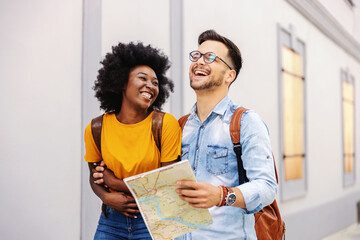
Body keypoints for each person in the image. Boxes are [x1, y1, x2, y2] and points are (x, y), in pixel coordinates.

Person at [175, 30, 277, 240]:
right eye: (196, 56)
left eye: (210, 57)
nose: (199, 62)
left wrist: (222, 196)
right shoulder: (181, 125)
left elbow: (267, 187)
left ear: (229, 75)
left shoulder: (246, 122)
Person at [84, 42, 182, 239]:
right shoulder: (96, 128)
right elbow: (95, 177)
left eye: (155, 82)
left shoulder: (165, 124)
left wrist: (115, 183)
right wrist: (106, 197)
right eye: (142, 78)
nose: (150, 86)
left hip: (155, 219)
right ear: (121, 82)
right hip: (111, 221)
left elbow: (166, 183)